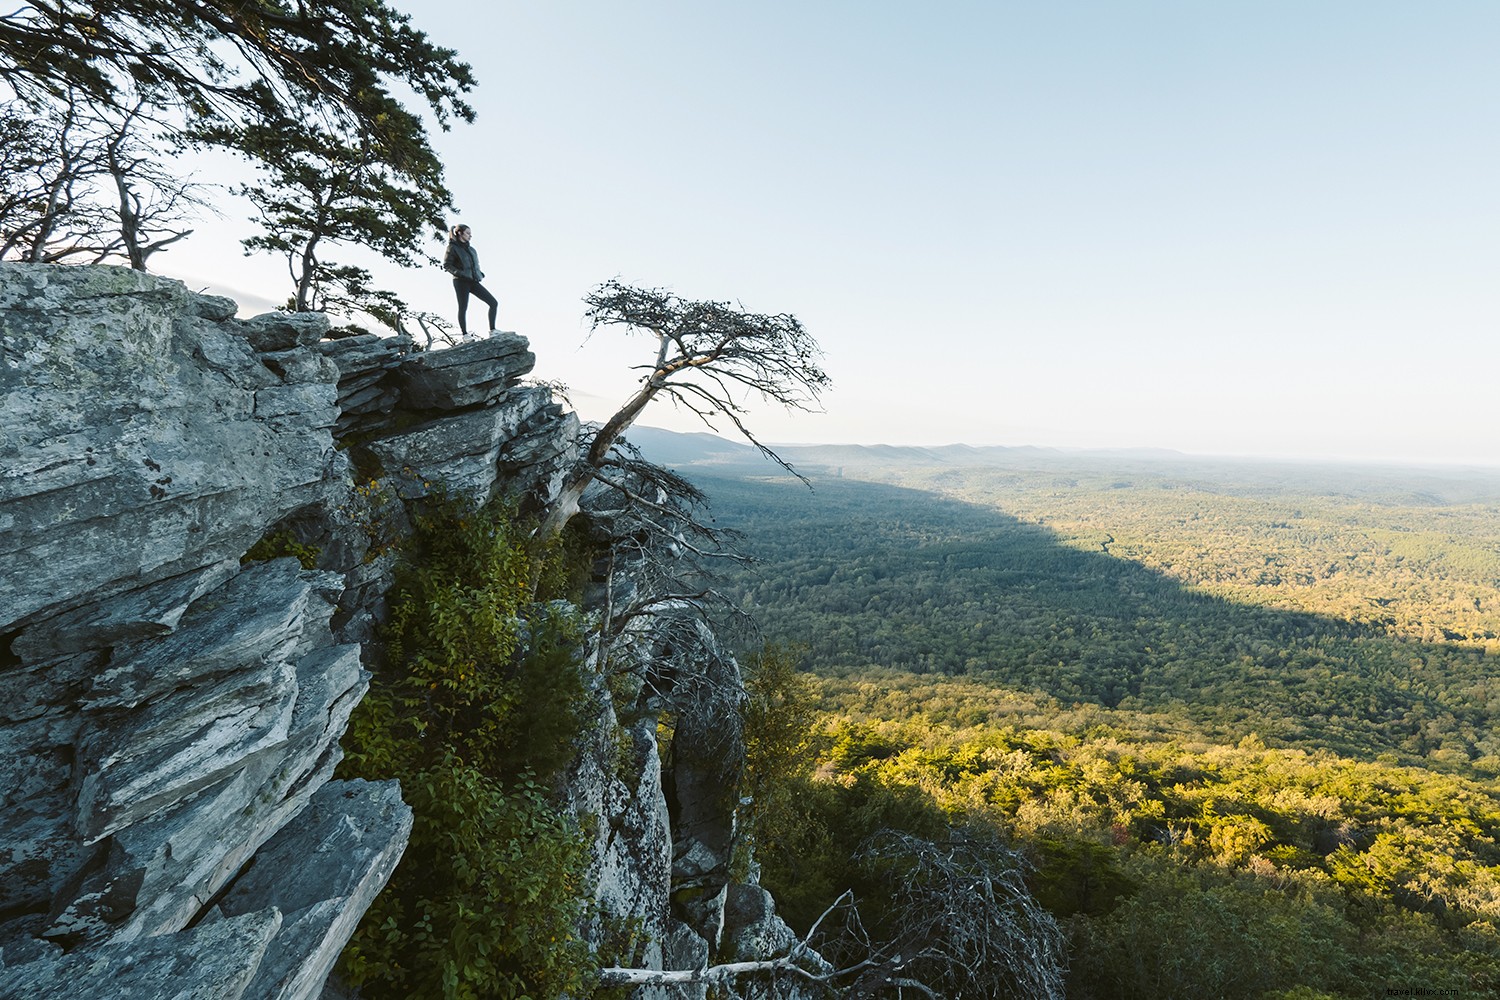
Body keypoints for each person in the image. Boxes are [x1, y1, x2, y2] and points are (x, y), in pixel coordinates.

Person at [442, 224, 498, 336]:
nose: (470, 236)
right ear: (459, 233)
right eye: (467, 233)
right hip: (460, 281)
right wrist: (459, 273)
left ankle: (493, 330)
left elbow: (474, 265)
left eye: (470, 233)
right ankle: (465, 335)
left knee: (493, 303)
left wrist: (480, 273)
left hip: (473, 280)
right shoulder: (452, 247)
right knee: (463, 307)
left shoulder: (471, 249)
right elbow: (447, 265)